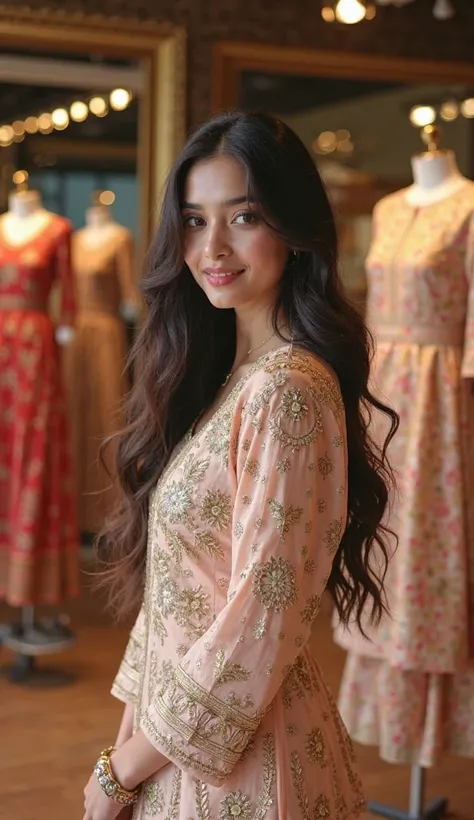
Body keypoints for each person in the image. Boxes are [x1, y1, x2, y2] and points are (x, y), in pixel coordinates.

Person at [83, 111, 398, 820]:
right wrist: (127, 744)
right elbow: (177, 587)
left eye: (243, 216)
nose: (212, 247)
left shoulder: (287, 388)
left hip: (247, 768)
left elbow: (265, 611)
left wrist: (118, 772)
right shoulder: (234, 377)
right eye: (194, 221)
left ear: (293, 228)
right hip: (180, 743)